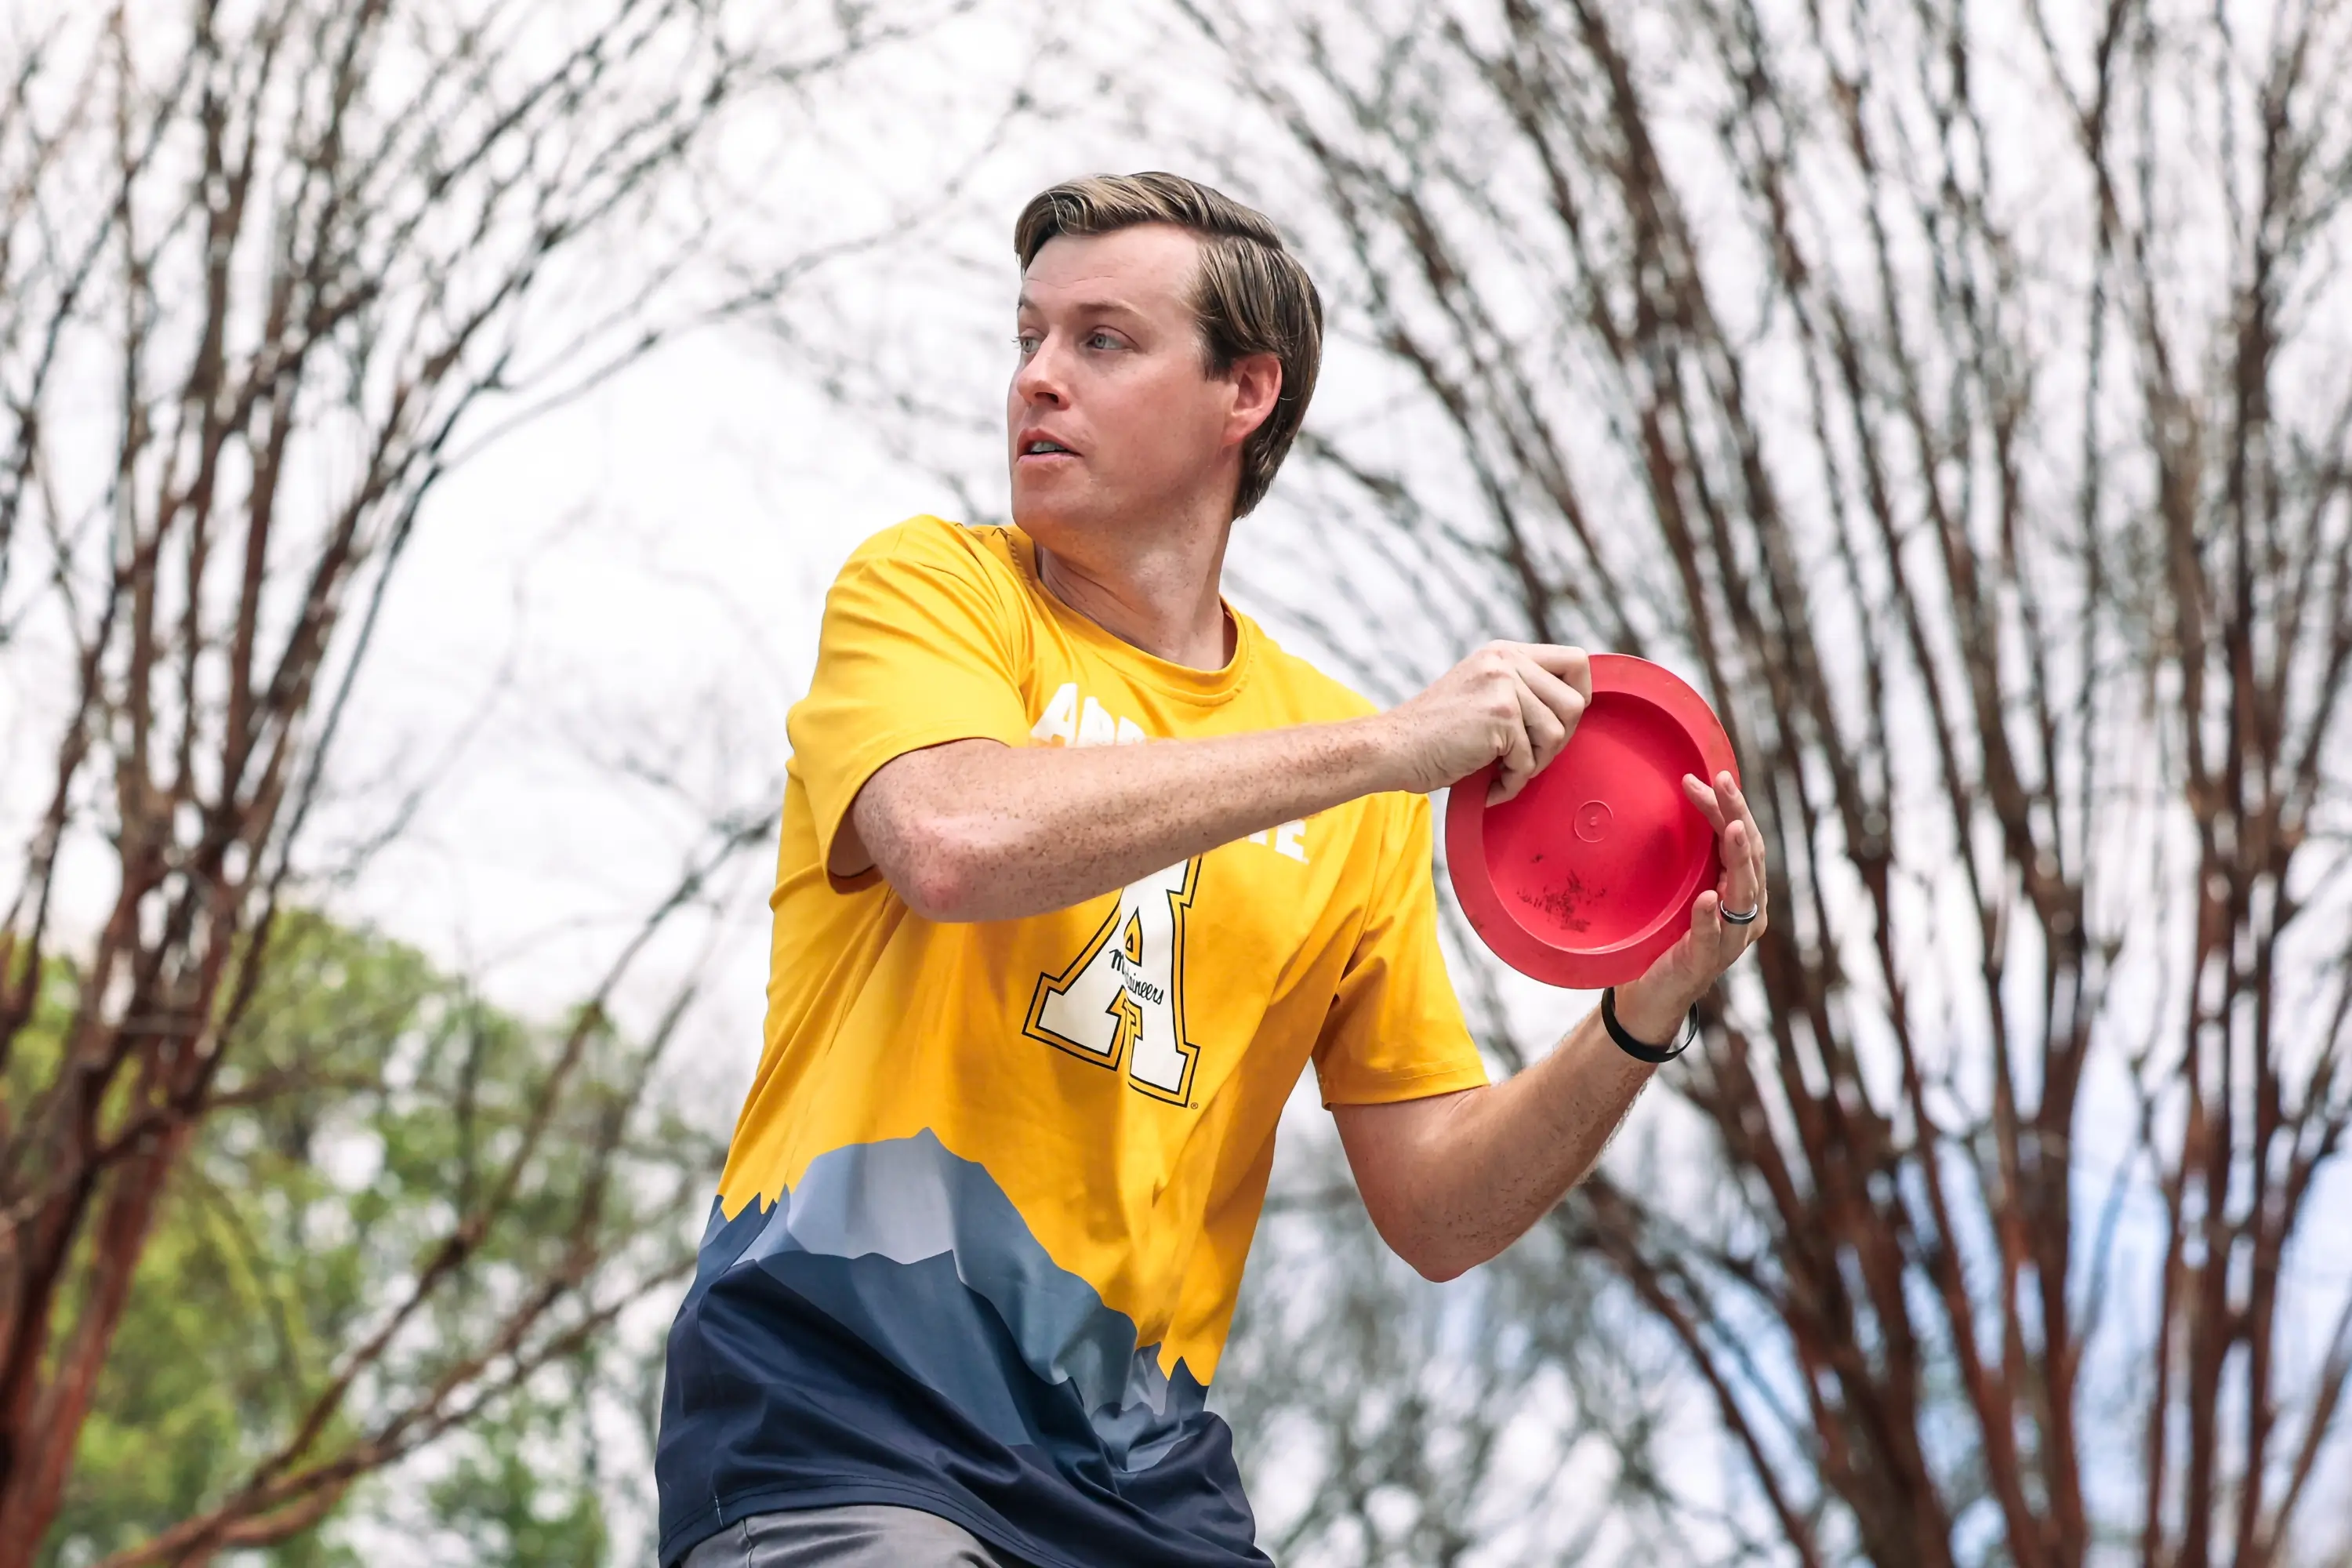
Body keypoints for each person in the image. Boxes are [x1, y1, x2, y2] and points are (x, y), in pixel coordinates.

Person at [655, 172, 1768, 1568]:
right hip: (843, 1412)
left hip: (1142, 1482)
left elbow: (1436, 1207)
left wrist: (1639, 1015)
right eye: (1028, 338)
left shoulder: (1355, 773)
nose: (1038, 381)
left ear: (1248, 391)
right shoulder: (932, 590)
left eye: (1101, 341)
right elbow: (953, 840)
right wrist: (1378, 746)